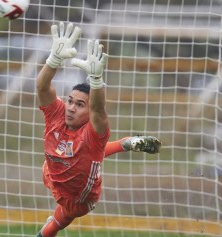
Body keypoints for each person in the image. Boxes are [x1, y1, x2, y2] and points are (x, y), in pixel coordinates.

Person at [35, 22, 161, 237]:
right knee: (84, 153)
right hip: (50, 172)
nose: (71, 108)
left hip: (79, 198)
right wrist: (53, 60)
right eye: (70, 101)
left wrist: (96, 80)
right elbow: (42, 87)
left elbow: (99, 109)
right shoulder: (56, 113)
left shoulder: (93, 131)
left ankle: (125, 143)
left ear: (88, 111)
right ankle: (126, 143)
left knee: (59, 221)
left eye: (80, 105)